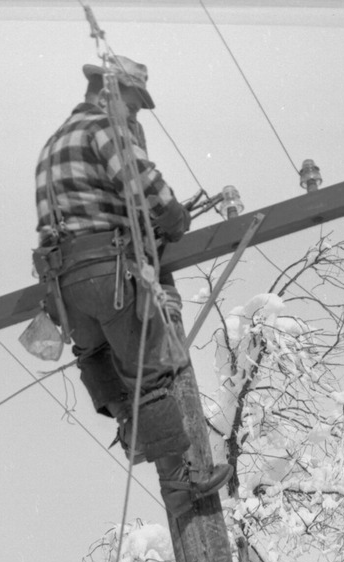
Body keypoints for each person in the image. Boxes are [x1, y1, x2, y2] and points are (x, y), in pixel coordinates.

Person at [33, 55, 230, 501]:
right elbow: (144, 183)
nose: (135, 115)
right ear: (111, 92)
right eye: (134, 105)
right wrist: (174, 217)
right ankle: (179, 483)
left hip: (63, 287)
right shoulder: (104, 127)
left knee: (95, 354)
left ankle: (133, 429)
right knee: (151, 371)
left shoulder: (54, 142)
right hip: (106, 273)